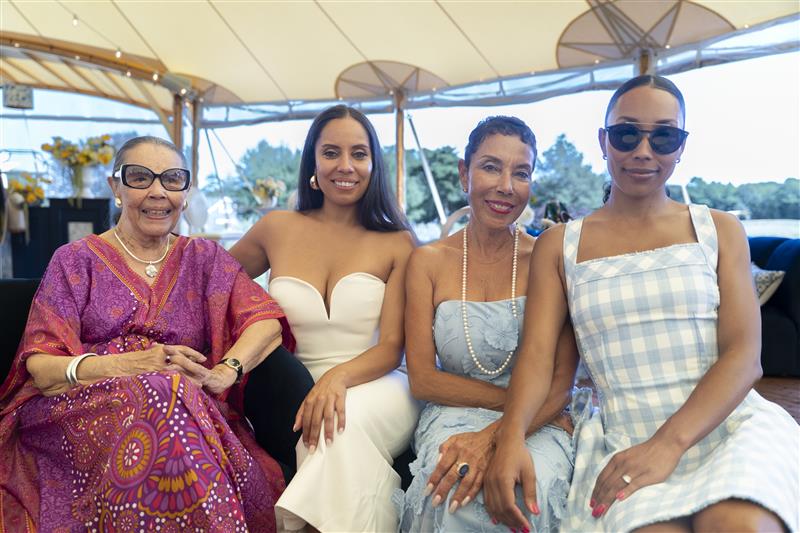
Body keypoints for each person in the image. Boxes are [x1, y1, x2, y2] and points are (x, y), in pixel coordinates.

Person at [484, 75, 799, 532]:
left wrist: (668, 445)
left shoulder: (721, 230)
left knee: (741, 525)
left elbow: (745, 358)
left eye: (665, 136)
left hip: (727, 424)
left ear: (681, 145)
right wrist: (509, 438)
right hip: (626, 435)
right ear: (603, 140)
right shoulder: (559, 246)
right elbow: (537, 358)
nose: (644, 151)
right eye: (627, 133)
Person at [0, 136, 292, 532]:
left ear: (185, 192)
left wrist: (226, 370)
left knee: (170, 396)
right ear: (115, 188)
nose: (158, 191)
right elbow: (41, 365)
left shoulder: (204, 259)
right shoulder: (74, 260)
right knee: (162, 392)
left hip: (187, 407)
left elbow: (266, 321)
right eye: (140, 178)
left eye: (172, 179)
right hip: (82, 409)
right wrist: (133, 366)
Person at [230, 104, 420, 532]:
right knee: (328, 435)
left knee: (336, 427)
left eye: (359, 153)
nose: (345, 166)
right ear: (313, 161)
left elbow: (393, 346)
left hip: (381, 382)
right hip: (292, 388)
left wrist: (338, 379)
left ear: (374, 163)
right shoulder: (275, 227)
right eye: (331, 152)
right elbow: (207, 287)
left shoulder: (397, 242)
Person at [395, 116, 578, 532]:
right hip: (456, 413)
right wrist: (524, 405)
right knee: (449, 483)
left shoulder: (550, 260)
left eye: (521, 173)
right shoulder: (427, 262)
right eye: (491, 167)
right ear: (465, 172)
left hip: (540, 422)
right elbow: (423, 379)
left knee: (526, 486)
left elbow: (561, 383)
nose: (506, 186)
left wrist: (504, 431)